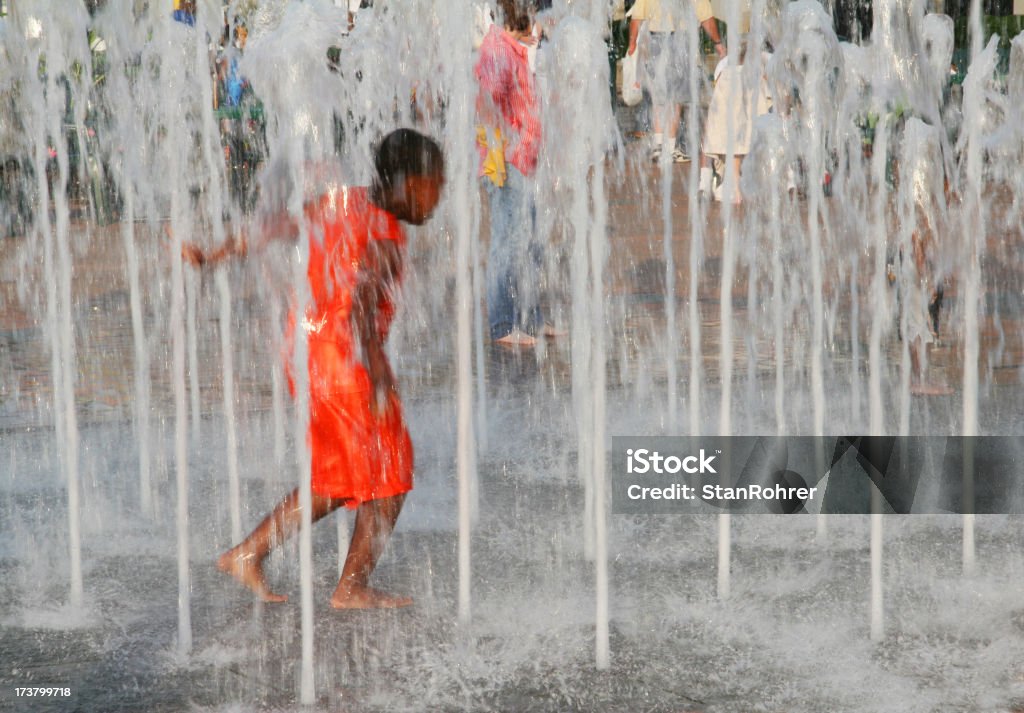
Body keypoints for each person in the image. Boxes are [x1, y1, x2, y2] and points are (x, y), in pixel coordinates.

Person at [184, 129, 445, 608]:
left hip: (305, 349)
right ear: (410, 184)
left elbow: (275, 227)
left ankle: (247, 553)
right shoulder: (386, 234)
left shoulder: (341, 200)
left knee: (338, 475)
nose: (438, 199)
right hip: (346, 361)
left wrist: (212, 255)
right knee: (392, 468)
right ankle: (351, 587)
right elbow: (363, 305)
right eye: (435, 186)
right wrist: (378, 370)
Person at [475, 0, 548, 347]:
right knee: (507, 244)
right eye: (531, 11)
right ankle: (502, 325)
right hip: (505, 164)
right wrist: (504, 150)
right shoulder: (496, 51)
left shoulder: (510, 47)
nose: (535, 17)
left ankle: (533, 320)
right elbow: (485, 104)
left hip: (520, 162)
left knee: (530, 241)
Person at [626, 0, 725, 163]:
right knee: (676, 96)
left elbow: (637, 17)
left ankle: (658, 147)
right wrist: (718, 43)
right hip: (682, 39)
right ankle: (670, 149)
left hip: (655, 39)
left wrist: (632, 44)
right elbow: (706, 17)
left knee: (660, 95)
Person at [698, 37, 771, 203]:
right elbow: (767, 98)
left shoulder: (724, 69)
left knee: (720, 132)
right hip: (751, 118)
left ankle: (705, 183)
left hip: (729, 117)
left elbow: (718, 98)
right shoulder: (759, 68)